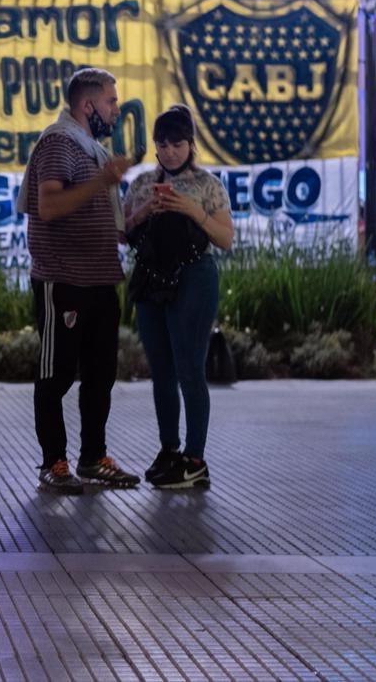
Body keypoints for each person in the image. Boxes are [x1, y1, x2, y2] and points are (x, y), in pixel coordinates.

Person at [20, 67, 139, 495]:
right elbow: (49, 205)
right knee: (56, 376)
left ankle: (93, 458)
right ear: (87, 106)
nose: (116, 108)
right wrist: (103, 181)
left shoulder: (91, 150)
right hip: (64, 281)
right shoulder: (59, 143)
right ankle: (54, 462)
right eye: (111, 100)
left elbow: (100, 214)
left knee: (100, 374)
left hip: (101, 280)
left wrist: (138, 217)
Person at [123, 105, 234, 490]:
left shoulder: (208, 184)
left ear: (191, 144)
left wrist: (192, 211)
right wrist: (142, 213)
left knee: (190, 367)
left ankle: (195, 459)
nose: (169, 151)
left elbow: (225, 238)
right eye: (162, 144)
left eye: (177, 144)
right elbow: (122, 233)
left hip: (193, 277)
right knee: (161, 371)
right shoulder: (141, 183)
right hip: (152, 277)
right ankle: (169, 450)